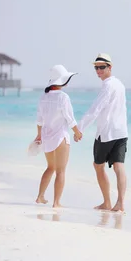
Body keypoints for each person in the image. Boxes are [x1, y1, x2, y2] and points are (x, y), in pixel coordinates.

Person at [77, 53, 128, 212]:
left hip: (106, 133)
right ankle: (119, 204)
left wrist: (80, 128)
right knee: (119, 166)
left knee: (98, 166)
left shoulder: (107, 85)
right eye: (96, 67)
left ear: (110, 67)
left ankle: (107, 202)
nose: (98, 70)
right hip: (121, 131)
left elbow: (95, 109)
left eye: (101, 67)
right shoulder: (119, 84)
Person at [34, 64, 83, 208]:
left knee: (50, 167)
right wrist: (77, 132)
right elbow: (70, 118)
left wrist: (38, 135)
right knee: (61, 171)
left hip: (47, 137)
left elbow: (39, 120)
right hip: (60, 137)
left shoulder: (43, 97)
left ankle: (40, 197)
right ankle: (56, 202)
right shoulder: (63, 97)